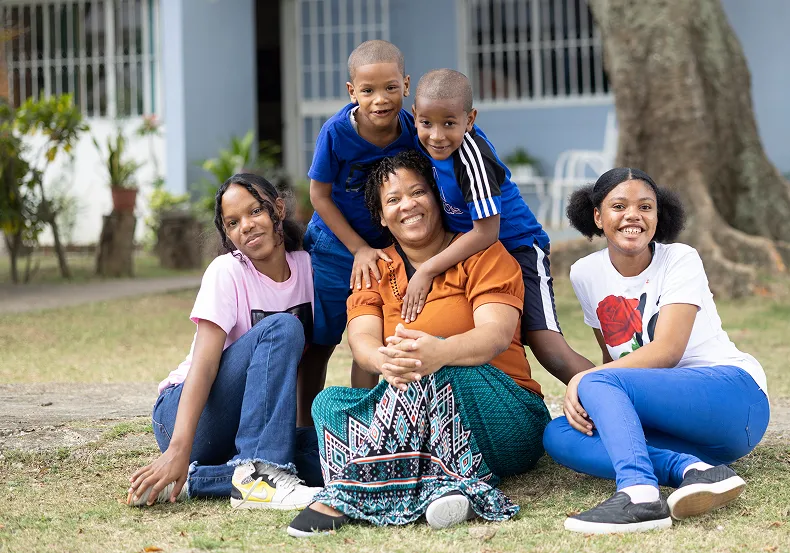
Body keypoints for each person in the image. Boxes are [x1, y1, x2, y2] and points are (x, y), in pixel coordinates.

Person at [286, 150, 551, 537]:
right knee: (328, 403)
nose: (407, 205)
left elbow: (494, 336)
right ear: (380, 215)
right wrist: (385, 360)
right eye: (392, 200)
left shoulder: (483, 254)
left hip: (503, 415)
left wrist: (438, 352)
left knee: (428, 363)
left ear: (437, 197)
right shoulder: (374, 269)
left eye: (418, 192)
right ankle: (439, 486)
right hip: (409, 410)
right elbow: (362, 341)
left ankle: (351, 493)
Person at [542, 168, 770, 534]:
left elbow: (666, 352)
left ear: (658, 216)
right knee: (560, 433)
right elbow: (614, 361)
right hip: (683, 432)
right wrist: (597, 393)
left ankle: (639, 495)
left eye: (645, 206)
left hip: (734, 399)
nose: (633, 215)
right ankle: (694, 470)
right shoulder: (586, 272)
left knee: (596, 385)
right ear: (598, 216)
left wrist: (586, 380)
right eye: (619, 206)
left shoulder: (680, 258)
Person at [127, 174, 323, 509]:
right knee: (284, 328)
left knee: (332, 456)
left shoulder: (308, 268)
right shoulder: (227, 271)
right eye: (233, 222)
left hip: (250, 423)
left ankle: (198, 480)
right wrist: (178, 447)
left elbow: (311, 361)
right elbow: (203, 365)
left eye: (255, 212)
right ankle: (262, 473)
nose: (245, 226)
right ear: (227, 234)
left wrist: (297, 430)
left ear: (278, 209)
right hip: (189, 414)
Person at [407, 68, 592, 385]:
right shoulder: (424, 142)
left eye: (449, 123)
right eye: (427, 123)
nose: (437, 135)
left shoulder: (471, 157)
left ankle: (618, 395)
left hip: (517, 246)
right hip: (475, 256)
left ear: (470, 119)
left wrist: (427, 269)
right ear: (415, 116)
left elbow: (486, 232)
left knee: (546, 346)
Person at [306, 39, 417, 389]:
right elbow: (318, 195)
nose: (380, 99)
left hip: (386, 252)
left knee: (377, 336)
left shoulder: (414, 130)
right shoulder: (337, 132)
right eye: (368, 90)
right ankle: (304, 430)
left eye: (391, 88)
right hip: (335, 247)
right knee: (319, 342)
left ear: (406, 85)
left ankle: (367, 421)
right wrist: (358, 248)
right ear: (352, 92)